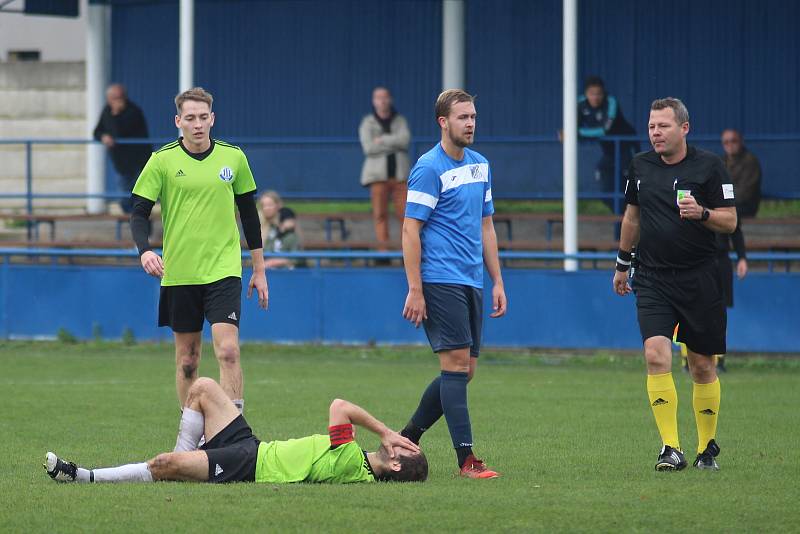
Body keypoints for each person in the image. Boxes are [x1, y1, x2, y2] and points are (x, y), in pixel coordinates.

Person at [612, 97, 737, 472]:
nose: (655, 133)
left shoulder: (711, 166)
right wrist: (622, 263)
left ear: (684, 128)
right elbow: (632, 217)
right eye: (651, 126)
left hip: (700, 277)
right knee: (655, 355)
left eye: (663, 126)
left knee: (701, 365)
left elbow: (730, 222)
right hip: (651, 278)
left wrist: (702, 213)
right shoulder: (639, 166)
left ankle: (706, 448)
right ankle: (670, 448)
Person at [129, 87, 269, 415]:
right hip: (180, 272)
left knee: (229, 351)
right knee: (188, 361)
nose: (197, 124)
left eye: (203, 117)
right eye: (190, 118)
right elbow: (138, 212)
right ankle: (191, 438)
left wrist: (259, 270)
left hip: (223, 269)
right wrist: (144, 251)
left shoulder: (233, 158)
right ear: (178, 121)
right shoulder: (162, 161)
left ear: (213, 119)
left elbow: (249, 215)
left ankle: (233, 438)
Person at [399, 89, 507, 479]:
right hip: (439, 279)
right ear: (443, 122)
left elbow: (486, 225)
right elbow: (411, 230)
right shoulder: (429, 167)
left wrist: (497, 280)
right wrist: (416, 288)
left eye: (474, 116)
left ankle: (407, 435)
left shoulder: (481, 165)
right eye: (463, 117)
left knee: (465, 370)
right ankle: (467, 461)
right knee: (456, 365)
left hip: (472, 281)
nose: (471, 123)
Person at [44, 377, 427, 484]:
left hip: (249, 466)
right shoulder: (353, 454)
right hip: (252, 447)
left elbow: (340, 405)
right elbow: (340, 406)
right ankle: (182, 461)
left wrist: (386, 430)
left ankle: (83, 476)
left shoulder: (351, 463)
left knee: (163, 464)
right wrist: (388, 435)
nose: (398, 442)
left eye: (404, 447)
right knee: (204, 388)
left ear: (395, 465)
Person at [576, 76, 639, 213]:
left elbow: (605, 129)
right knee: (606, 192)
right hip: (609, 152)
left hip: (627, 147)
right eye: (592, 94)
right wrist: (570, 133)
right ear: (586, 94)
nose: (595, 97)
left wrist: (577, 133)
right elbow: (571, 127)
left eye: (598, 93)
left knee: (628, 188)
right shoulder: (579, 103)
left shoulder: (611, 102)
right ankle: (623, 216)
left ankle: (634, 217)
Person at [359, 87, 412, 248]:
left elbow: (405, 141)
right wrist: (394, 143)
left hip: (400, 176)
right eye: (378, 98)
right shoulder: (367, 123)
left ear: (390, 99)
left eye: (385, 97)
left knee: (406, 215)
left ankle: (407, 250)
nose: (382, 101)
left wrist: (381, 140)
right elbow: (368, 148)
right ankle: (383, 252)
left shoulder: (400, 120)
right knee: (380, 215)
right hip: (377, 177)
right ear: (373, 101)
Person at [93, 83, 152, 213]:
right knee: (125, 199)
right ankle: (133, 225)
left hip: (138, 161)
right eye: (114, 97)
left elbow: (119, 133)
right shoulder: (106, 110)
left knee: (139, 198)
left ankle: (142, 227)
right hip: (121, 163)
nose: (118, 100)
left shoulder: (133, 111)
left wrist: (116, 114)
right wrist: (103, 136)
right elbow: (97, 132)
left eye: (120, 97)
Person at [721, 129, 762, 218]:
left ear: (741, 142)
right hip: (726, 204)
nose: (730, 144)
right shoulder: (722, 161)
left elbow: (744, 193)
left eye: (733, 141)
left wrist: (721, 197)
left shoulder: (750, 161)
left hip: (744, 207)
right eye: (726, 142)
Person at [259, 190, 302, 269]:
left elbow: (295, 255)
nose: (266, 208)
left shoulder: (286, 224)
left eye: (270, 205)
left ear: (278, 205)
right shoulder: (258, 224)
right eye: (264, 206)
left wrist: (274, 262)